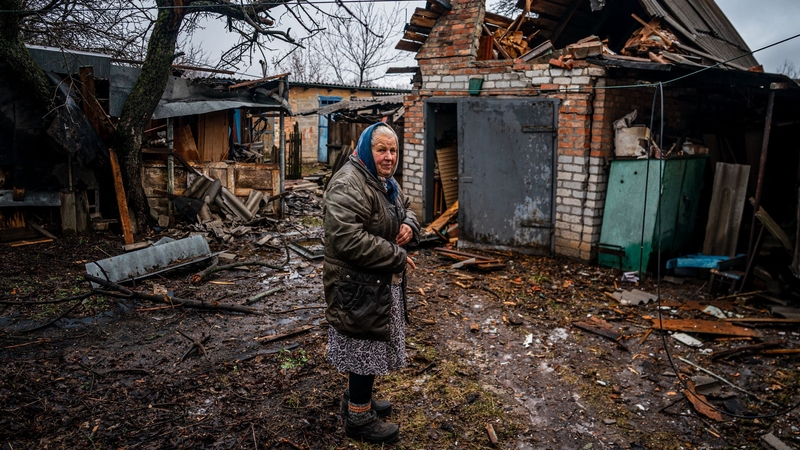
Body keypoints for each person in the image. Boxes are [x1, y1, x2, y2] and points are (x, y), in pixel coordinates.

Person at [322, 122, 419, 444]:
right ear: (366, 149)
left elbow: (407, 209)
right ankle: (359, 419)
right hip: (356, 286)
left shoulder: (384, 182)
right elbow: (346, 239)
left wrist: (409, 225)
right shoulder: (349, 183)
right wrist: (397, 255)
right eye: (381, 149)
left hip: (374, 285)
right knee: (363, 349)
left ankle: (356, 399)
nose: (389, 156)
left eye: (393, 150)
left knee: (371, 348)